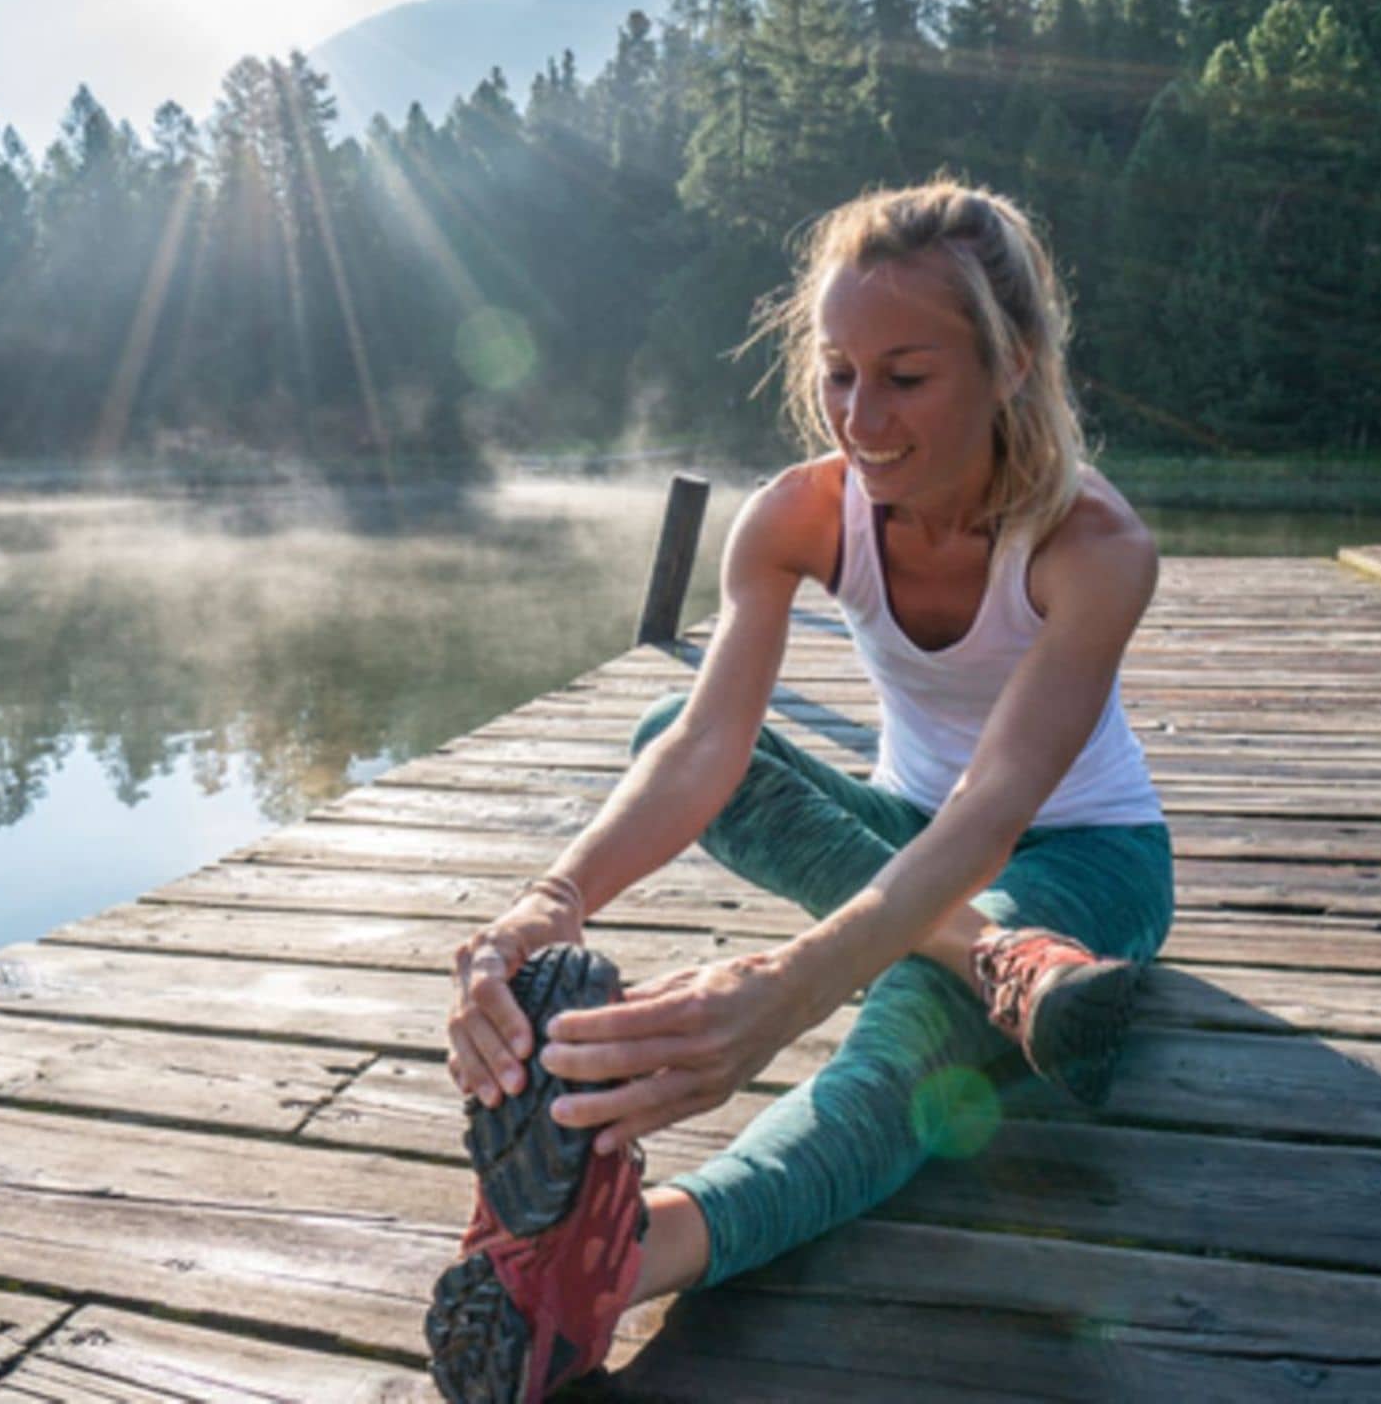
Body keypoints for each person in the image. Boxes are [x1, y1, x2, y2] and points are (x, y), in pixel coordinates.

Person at [424, 179, 1174, 1402]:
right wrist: (547, 902)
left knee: (904, 1032)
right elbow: (706, 745)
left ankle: (622, 1261)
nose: (859, 419)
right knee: (666, 723)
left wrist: (790, 985)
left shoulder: (1093, 547)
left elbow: (993, 808)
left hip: (1085, 857)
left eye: (905, 377)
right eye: (836, 373)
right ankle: (993, 958)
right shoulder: (797, 514)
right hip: (908, 837)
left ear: (1012, 364)